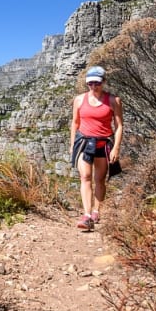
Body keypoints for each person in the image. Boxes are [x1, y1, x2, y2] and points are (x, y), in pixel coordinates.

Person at [69, 65, 123, 230]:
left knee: (99, 179)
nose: (93, 86)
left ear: (104, 82)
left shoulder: (114, 100)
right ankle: (86, 215)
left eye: (97, 83)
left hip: (103, 143)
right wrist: (72, 145)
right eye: (90, 83)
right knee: (85, 176)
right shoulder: (79, 100)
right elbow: (75, 122)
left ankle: (96, 211)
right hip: (84, 143)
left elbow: (119, 125)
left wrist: (116, 148)